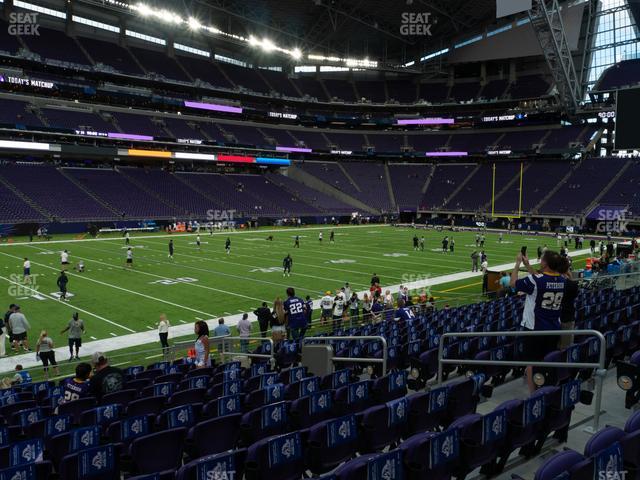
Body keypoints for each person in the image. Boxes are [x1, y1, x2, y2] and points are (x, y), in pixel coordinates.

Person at [510, 250, 565, 393]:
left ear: (545, 263)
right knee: (549, 361)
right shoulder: (562, 279)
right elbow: (541, 278)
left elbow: (513, 283)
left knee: (531, 364)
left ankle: (534, 395)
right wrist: (527, 265)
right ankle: (548, 390)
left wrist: (517, 264)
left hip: (535, 328)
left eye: (542, 259)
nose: (540, 261)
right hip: (554, 327)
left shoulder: (537, 280)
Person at [558, 257, 579, 349]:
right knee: (566, 347)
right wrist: (570, 276)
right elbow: (574, 288)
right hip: (567, 316)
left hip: (556, 316)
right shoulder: (572, 285)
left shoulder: (554, 282)